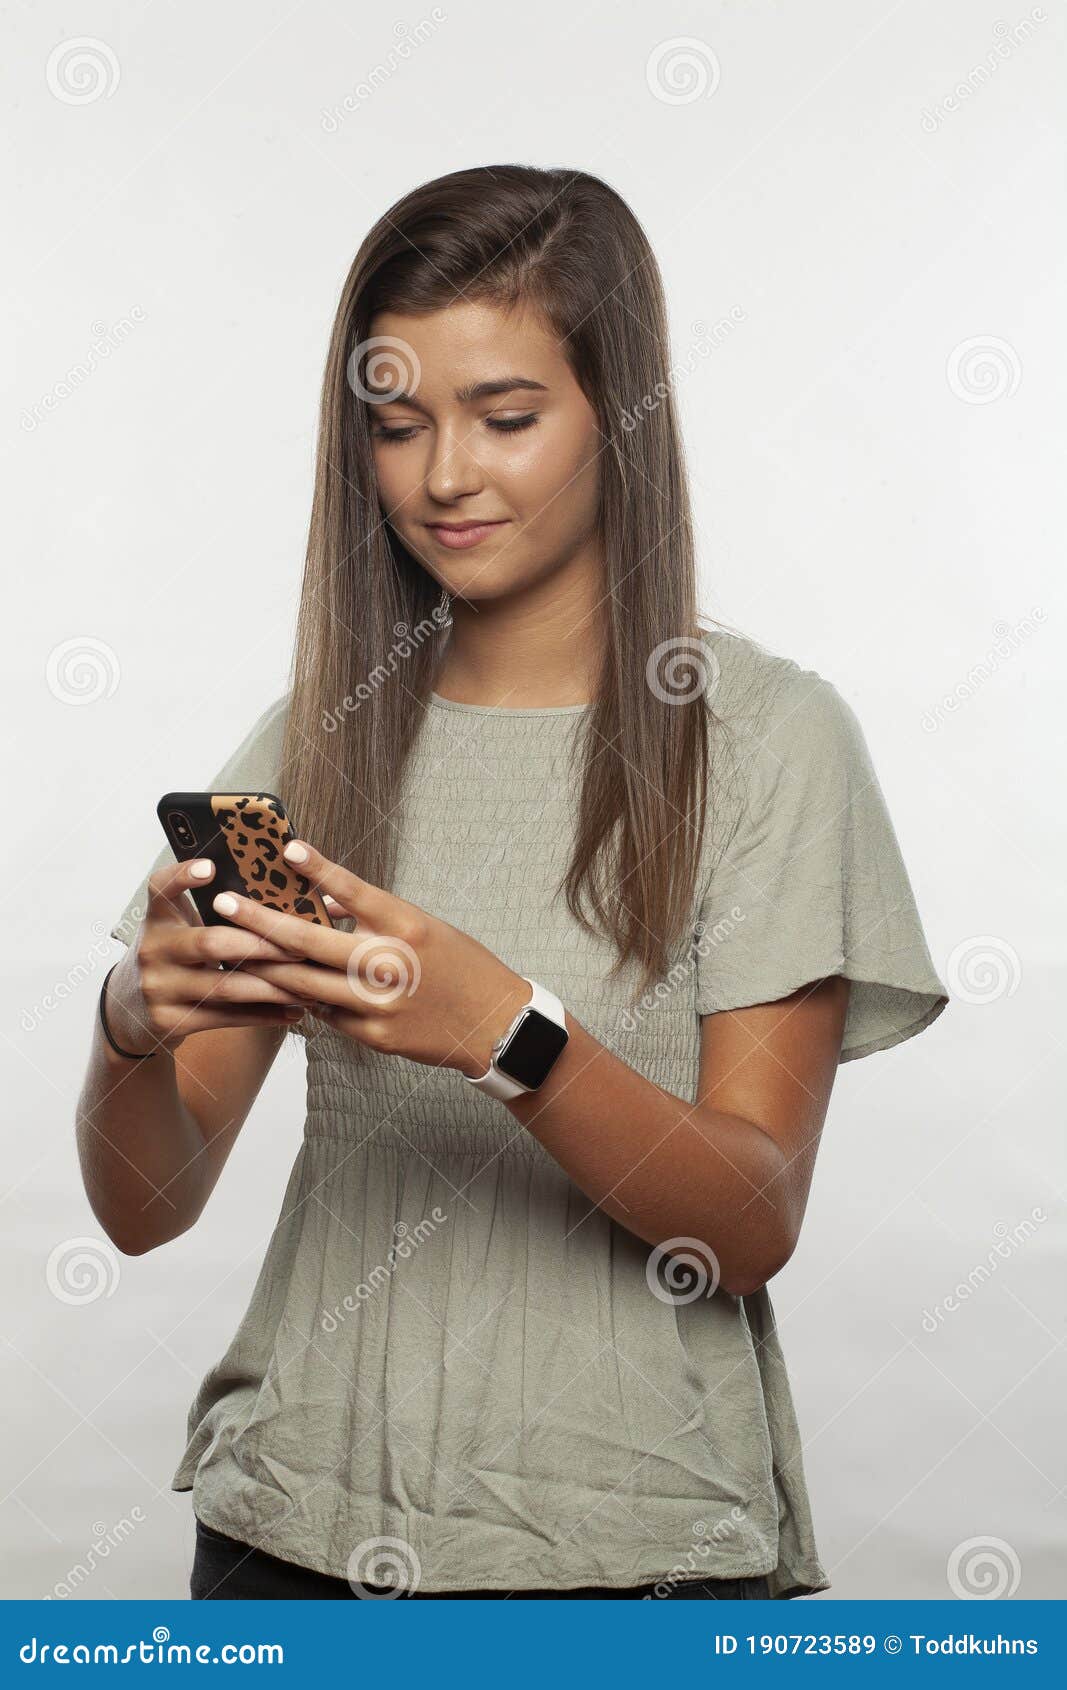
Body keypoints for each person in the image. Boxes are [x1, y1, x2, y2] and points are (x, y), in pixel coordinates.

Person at [77, 165, 949, 1601]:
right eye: (397, 424)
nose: (443, 476)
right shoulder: (318, 735)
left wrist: (506, 1031)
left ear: (624, 417)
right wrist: (129, 1022)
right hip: (291, 1539)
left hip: (636, 1563)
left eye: (508, 417)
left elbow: (742, 1223)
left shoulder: (772, 740)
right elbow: (142, 1205)